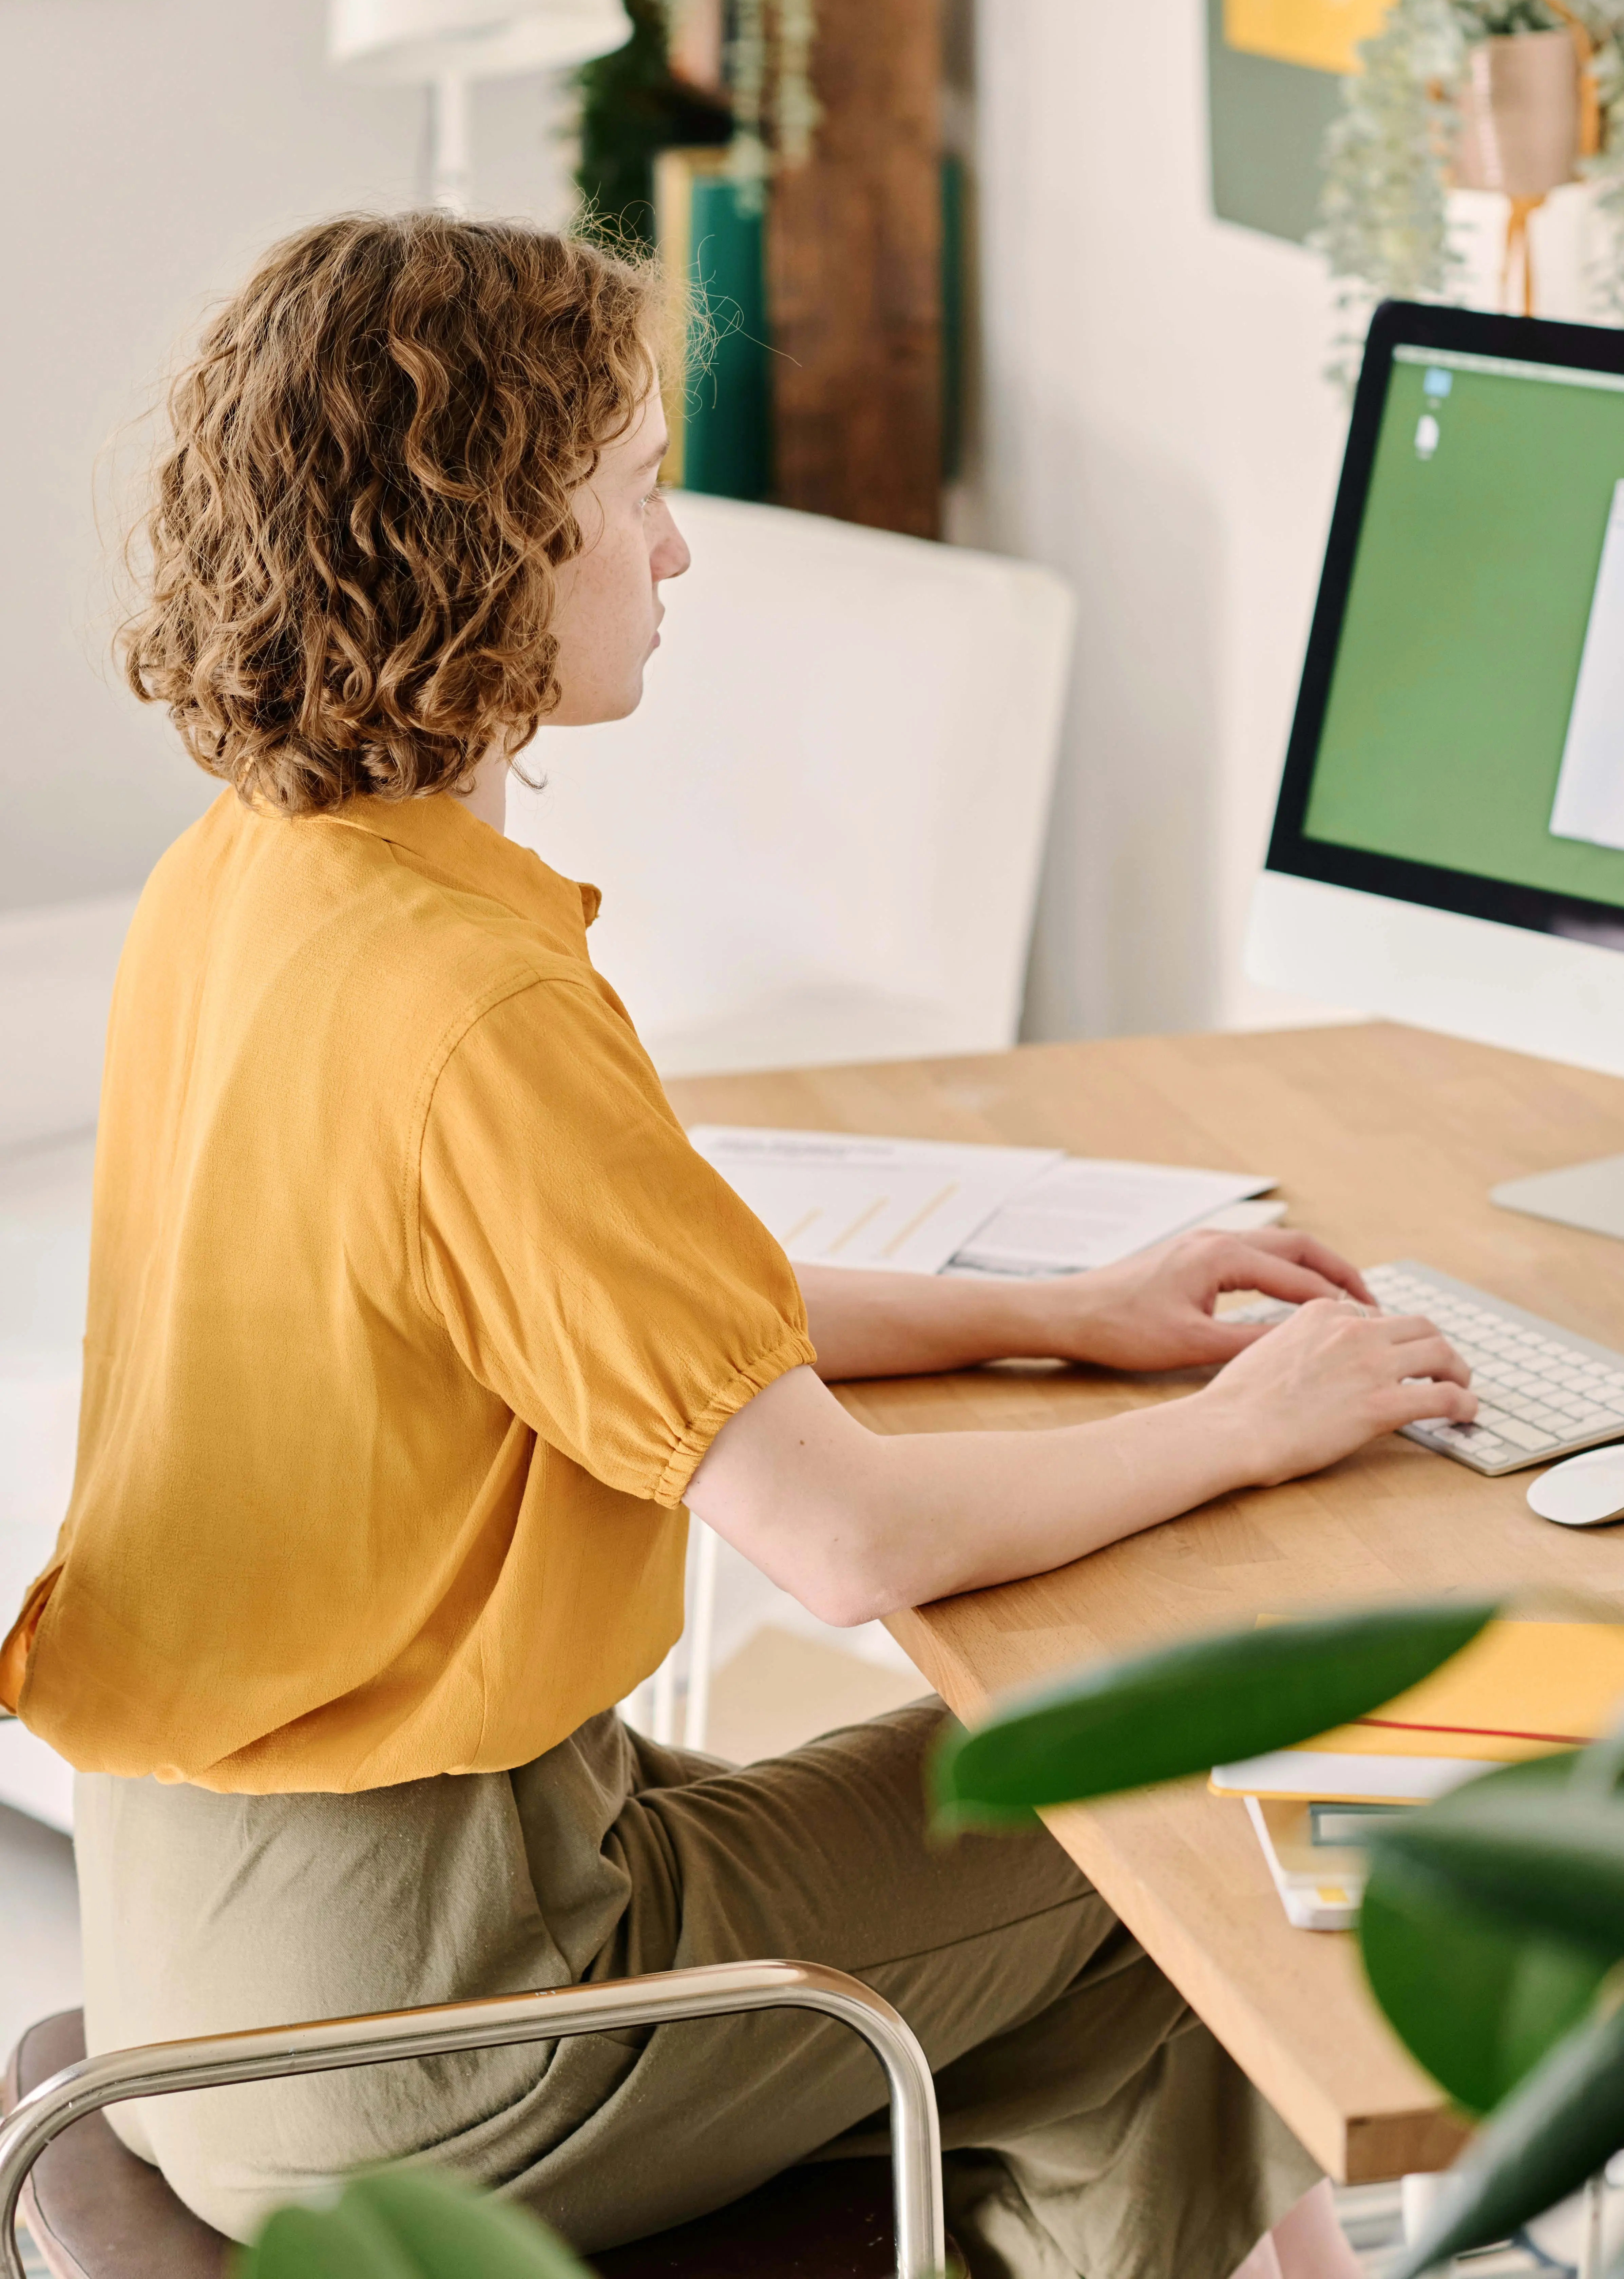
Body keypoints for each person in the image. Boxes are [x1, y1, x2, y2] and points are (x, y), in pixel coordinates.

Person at [1, 215, 1473, 2279]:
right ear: (489, 542)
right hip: (424, 2029)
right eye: (633, 494)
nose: (676, 554)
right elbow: (848, 1542)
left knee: (1070, 1951)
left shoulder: (251, 881)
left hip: (211, 1960)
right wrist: (1261, 1422)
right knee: (1180, 1806)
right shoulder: (472, 1006)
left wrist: (1062, 1312)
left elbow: (604, 1319)